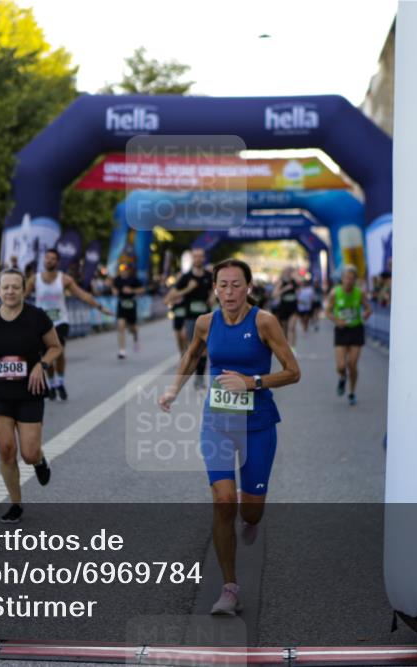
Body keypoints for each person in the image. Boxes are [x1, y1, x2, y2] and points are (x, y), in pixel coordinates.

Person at [158, 259, 300, 616]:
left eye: (237, 285)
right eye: (223, 285)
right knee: (223, 502)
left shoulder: (265, 321)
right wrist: (174, 390)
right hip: (217, 422)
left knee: (251, 512)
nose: (230, 292)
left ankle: (249, 518)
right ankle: (230, 587)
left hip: (258, 424)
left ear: (248, 287)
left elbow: (293, 372)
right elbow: (191, 355)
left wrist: (252, 382)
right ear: (215, 288)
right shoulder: (206, 323)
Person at [0, 268, 62, 523]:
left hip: (30, 390)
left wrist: (41, 366)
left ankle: (39, 462)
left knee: (29, 453)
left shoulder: (37, 317)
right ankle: (15, 504)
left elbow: (55, 347)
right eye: (5, 287)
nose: (10, 291)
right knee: (7, 450)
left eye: (15, 287)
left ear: (23, 290)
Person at [24, 248, 111, 400]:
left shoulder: (64, 279)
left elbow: (83, 295)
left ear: (57, 262)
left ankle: (60, 382)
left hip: (60, 321)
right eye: (47, 258)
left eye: (52, 258)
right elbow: (21, 297)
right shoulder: (34, 279)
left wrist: (100, 307)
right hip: (41, 323)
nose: (49, 260)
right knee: (46, 356)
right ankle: (51, 384)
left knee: (59, 351)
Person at [165, 248, 214, 388]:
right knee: (194, 349)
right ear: (192, 259)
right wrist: (188, 289)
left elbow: (216, 290)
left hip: (206, 317)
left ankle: (199, 379)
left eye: (201, 256)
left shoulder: (209, 276)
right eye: (196, 256)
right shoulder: (185, 277)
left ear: (204, 258)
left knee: (204, 349)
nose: (198, 259)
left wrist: (212, 296)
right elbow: (171, 296)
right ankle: (188, 376)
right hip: (191, 319)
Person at [325, 264, 372, 406]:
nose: (349, 281)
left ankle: (351, 392)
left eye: (352, 278)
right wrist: (336, 320)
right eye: (346, 278)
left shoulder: (360, 293)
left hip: (356, 329)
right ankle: (342, 377)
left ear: (355, 280)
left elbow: (368, 308)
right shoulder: (335, 293)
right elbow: (327, 311)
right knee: (340, 365)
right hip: (341, 330)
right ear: (342, 279)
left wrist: (365, 314)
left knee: (352, 364)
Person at [112, 264, 145, 359]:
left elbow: (142, 289)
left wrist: (132, 290)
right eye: (121, 269)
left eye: (125, 269)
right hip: (121, 304)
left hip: (131, 304)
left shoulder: (133, 279)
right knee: (121, 325)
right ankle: (122, 350)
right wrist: (114, 291)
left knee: (133, 327)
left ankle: (135, 338)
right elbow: (114, 288)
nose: (123, 271)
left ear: (128, 270)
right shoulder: (117, 279)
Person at [273, 267, 298, 343]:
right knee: (285, 329)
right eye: (287, 272)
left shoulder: (294, 281)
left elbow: (302, 282)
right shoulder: (281, 282)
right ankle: (286, 345)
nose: (289, 273)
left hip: (293, 307)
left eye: (290, 272)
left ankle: (293, 349)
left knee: (292, 328)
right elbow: (274, 294)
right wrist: (285, 289)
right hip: (284, 307)